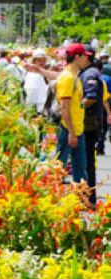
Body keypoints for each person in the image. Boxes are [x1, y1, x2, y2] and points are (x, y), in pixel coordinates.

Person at [55, 42, 89, 186]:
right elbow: (64, 107)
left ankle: (80, 201)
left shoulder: (74, 76)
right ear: (77, 57)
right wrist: (71, 132)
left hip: (76, 129)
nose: (86, 60)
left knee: (80, 169)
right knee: (58, 169)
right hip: (69, 130)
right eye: (84, 57)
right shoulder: (68, 77)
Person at [80, 46, 104, 206]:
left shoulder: (90, 73)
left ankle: (90, 197)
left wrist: (76, 107)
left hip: (89, 124)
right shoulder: (88, 72)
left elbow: (91, 98)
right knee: (86, 161)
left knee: (87, 162)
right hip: (89, 123)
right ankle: (88, 196)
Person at [24, 49, 49, 114]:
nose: (42, 62)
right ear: (34, 61)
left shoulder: (45, 73)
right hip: (32, 108)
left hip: (42, 107)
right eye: (39, 60)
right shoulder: (30, 74)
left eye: (43, 61)